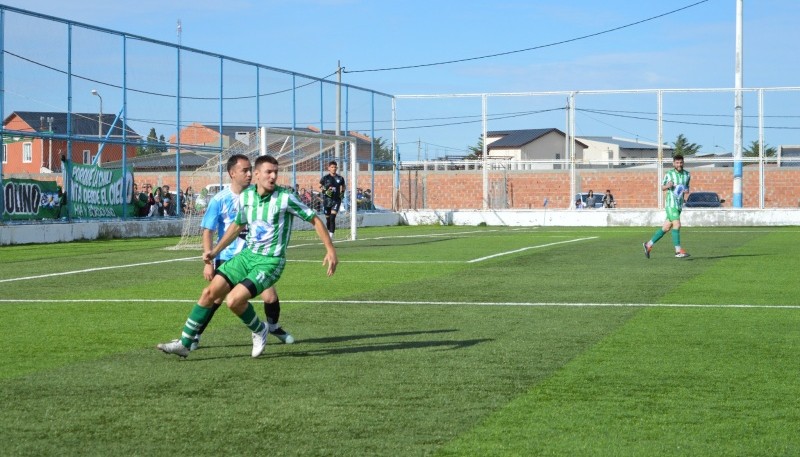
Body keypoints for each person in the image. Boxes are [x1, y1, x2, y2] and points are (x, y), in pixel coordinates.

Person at [157, 154, 337, 358]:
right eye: (268, 172)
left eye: (275, 172)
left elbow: (314, 219)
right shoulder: (246, 197)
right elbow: (237, 225)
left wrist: (330, 249)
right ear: (258, 175)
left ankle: (261, 329)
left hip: (270, 261)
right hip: (246, 256)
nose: (273, 176)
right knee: (209, 293)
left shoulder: (285, 198)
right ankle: (185, 343)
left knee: (234, 301)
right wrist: (214, 251)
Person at [189, 154, 294, 352]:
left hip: (255, 257)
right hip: (228, 257)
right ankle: (196, 334)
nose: (248, 174)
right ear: (232, 173)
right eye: (244, 170)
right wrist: (207, 261)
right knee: (216, 298)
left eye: (249, 170)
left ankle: (273, 327)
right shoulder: (219, 200)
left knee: (270, 296)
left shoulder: (256, 195)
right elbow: (208, 230)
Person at [643, 154, 691, 259]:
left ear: (683, 163)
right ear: (673, 163)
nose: (679, 164)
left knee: (666, 228)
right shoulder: (669, 174)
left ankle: (648, 244)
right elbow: (662, 187)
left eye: (681, 162)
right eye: (677, 162)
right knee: (677, 224)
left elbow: (687, 188)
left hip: (679, 205)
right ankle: (678, 251)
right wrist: (668, 186)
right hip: (670, 204)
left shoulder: (687, 174)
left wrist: (686, 190)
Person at [319, 160, 346, 240]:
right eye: (332, 167)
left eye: (335, 167)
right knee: (328, 219)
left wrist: (342, 193)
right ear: (329, 168)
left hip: (336, 200)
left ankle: (330, 237)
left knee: (332, 217)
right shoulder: (325, 178)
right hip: (327, 200)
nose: (333, 168)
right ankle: (328, 232)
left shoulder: (340, 178)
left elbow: (343, 186)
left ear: (336, 168)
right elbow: (319, 186)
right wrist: (325, 191)